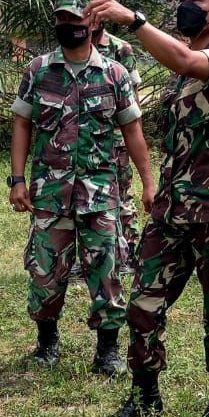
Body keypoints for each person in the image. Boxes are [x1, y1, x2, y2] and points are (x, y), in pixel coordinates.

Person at [82, 0, 209, 417]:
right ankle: (144, 397)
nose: (185, 6)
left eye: (195, 0)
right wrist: (154, 186)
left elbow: (186, 60)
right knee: (142, 306)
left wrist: (132, 19)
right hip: (172, 210)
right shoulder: (180, 71)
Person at [9, 0, 156, 375]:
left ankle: (106, 350)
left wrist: (147, 182)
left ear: (93, 24)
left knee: (106, 271)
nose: (69, 28)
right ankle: (46, 341)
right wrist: (17, 179)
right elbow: (22, 123)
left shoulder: (115, 74)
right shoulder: (39, 70)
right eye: (63, 21)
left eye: (77, 21)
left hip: (100, 193)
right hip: (50, 193)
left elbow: (133, 131)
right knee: (45, 271)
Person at [92, 24, 144, 273]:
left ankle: (130, 253)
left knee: (122, 194)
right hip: (88, 140)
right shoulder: (72, 45)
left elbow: (133, 96)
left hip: (117, 139)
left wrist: (133, 134)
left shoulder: (121, 48)